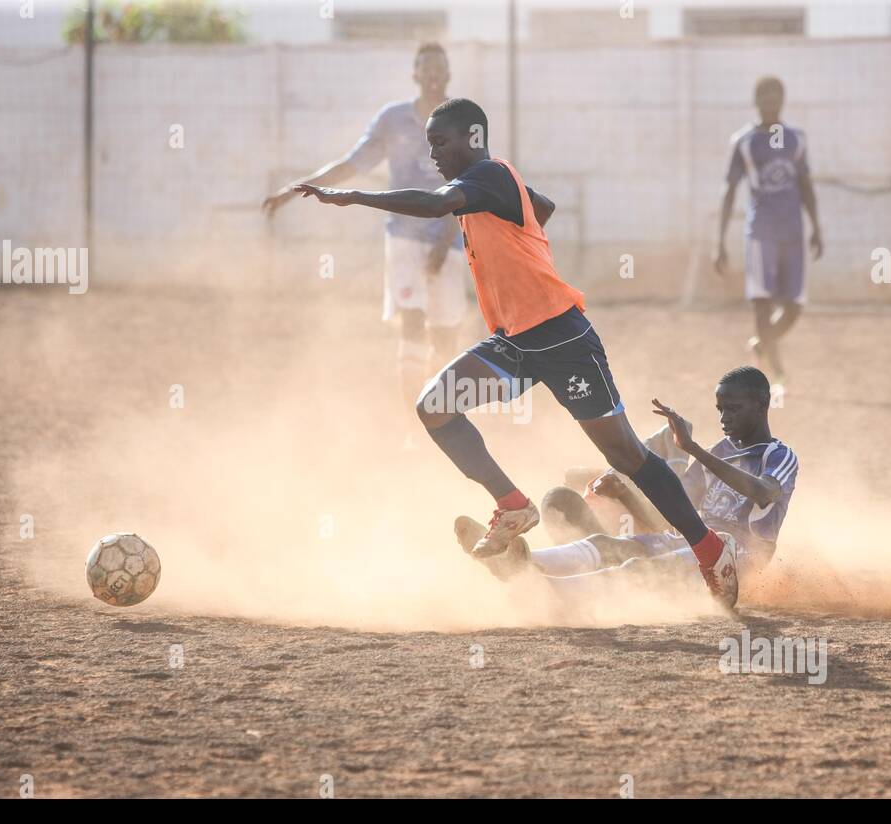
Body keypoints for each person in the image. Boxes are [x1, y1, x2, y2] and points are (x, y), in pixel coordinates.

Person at [291, 98, 738, 603]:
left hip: (564, 338)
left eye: (441, 142)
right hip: (515, 342)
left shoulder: (488, 176)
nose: (433, 153)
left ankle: (708, 550)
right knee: (435, 406)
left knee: (627, 455)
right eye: (430, 143)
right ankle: (512, 504)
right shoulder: (492, 187)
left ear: (473, 138)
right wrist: (522, 229)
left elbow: (437, 204)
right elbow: (540, 208)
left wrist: (354, 196)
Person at [457, 367, 797, 608]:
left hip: (739, 558)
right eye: (721, 409)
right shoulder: (719, 452)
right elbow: (671, 512)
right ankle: (517, 565)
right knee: (607, 544)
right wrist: (625, 492)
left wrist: (692, 450)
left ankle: (552, 592)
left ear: (762, 405)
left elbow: (763, 493)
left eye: (734, 409)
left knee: (642, 568)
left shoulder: (777, 454)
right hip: (696, 541)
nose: (724, 418)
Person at [262, 43, 465, 410]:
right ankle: (413, 424)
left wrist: (446, 239)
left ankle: (444, 420)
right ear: (415, 75)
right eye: (426, 68)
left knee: (446, 338)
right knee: (413, 323)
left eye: (440, 68)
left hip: (448, 241)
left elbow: (470, 184)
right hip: (403, 237)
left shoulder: (462, 120)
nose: (433, 74)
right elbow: (352, 163)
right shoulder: (393, 119)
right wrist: (294, 190)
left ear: (449, 75)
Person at [714, 76, 823, 391]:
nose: (770, 101)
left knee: (794, 308)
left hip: (793, 232)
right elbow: (729, 191)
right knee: (762, 304)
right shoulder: (744, 142)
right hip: (761, 234)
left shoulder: (797, 139)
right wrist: (719, 241)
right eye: (764, 96)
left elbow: (805, 185)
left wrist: (816, 227)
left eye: (776, 95)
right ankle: (776, 374)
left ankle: (762, 345)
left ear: (783, 99)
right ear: (756, 100)